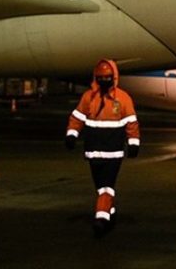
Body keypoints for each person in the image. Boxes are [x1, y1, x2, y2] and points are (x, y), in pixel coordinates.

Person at [65, 58, 141, 236]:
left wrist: (133, 143)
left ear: (113, 77)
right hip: (93, 152)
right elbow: (77, 117)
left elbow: (131, 122)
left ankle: (101, 219)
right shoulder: (88, 97)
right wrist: (71, 134)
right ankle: (110, 211)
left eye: (107, 77)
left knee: (107, 186)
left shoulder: (122, 99)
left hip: (113, 153)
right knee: (100, 187)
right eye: (101, 77)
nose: (104, 81)